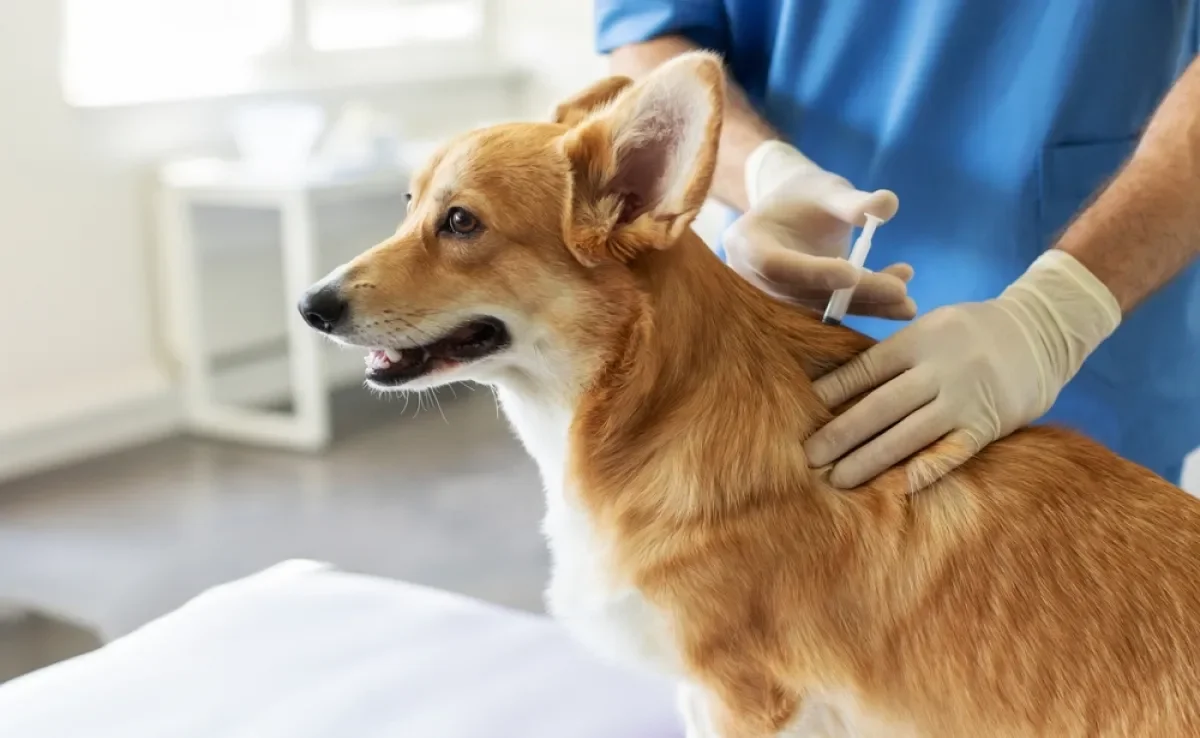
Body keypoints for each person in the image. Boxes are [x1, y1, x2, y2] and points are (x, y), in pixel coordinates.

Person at [596, 2, 1200, 488]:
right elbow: (653, 37)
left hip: (1096, 341)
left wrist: (1054, 317)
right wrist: (766, 174)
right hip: (778, 340)